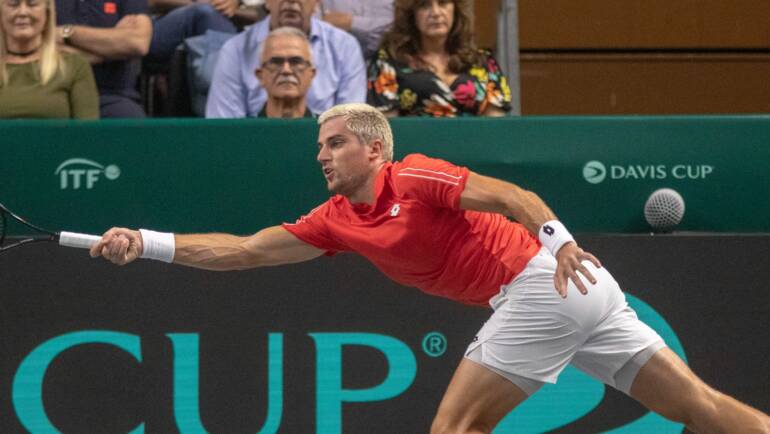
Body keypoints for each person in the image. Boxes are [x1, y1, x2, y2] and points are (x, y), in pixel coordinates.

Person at [90, 103, 770, 433]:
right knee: (699, 408)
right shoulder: (334, 220)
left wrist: (560, 241)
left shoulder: (414, 175)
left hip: (544, 282)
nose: (321, 156)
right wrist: (145, 241)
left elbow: (512, 196)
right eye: (319, 146)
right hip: (582, 296)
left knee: (454, 430)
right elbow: (241, 251)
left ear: (374, 150)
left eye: (335, 143)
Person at [205, 0, 365, 118]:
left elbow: (351, 124)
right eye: (275, 62)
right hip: (252, 143)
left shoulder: (345, 47)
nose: (291, 1)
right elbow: (224, 129)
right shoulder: (235, 50)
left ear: (317, 2)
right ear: (266, 2)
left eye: (296, 62)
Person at [368, 0, 511, 117]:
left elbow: (496, 127)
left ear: (455, 9)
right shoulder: (389, 61)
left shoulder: (483, 62)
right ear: (411, 14)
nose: (436, 13)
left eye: (443, 3)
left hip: (476, 143)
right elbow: (386, 129)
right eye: (424, 5)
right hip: (413, 143)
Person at [0, 0, 98, 118]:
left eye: (32, 4)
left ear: (47, 13)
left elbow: (87, 128)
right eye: (13, 5)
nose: (23, 12)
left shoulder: (75, 66)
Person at [55, 0, 152, 118]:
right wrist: (112, 49)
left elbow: (138, 42)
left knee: (131, 120)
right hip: (56, 91)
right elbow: (40, 44)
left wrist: (66, 32)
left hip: (112, 96)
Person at [254, 26, 315, 118]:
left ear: (311, 75)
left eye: (296, 62)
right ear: (260, 76)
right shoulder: (240, 128)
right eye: (276, 62)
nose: (286, 70)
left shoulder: (326, 127)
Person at [317, 0, 393, 59]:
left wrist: (351, 23)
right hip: (333, 66)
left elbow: (396, 29)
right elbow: (316, 30)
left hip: (391, 67)